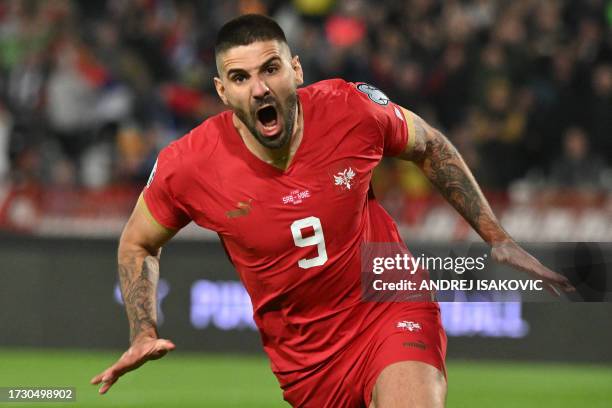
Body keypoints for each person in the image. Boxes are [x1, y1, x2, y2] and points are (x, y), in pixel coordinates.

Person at [91, 14, 574, 408]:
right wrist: (142, 329)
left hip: (388, 303)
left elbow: (430, 146)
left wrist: (496, 236)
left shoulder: (350, 109)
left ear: (296, 70)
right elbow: (138, 242)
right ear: (222, 92)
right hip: (307, 365)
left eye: (270, 69)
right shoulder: (189, 165)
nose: (259, 89)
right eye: (240, 78)